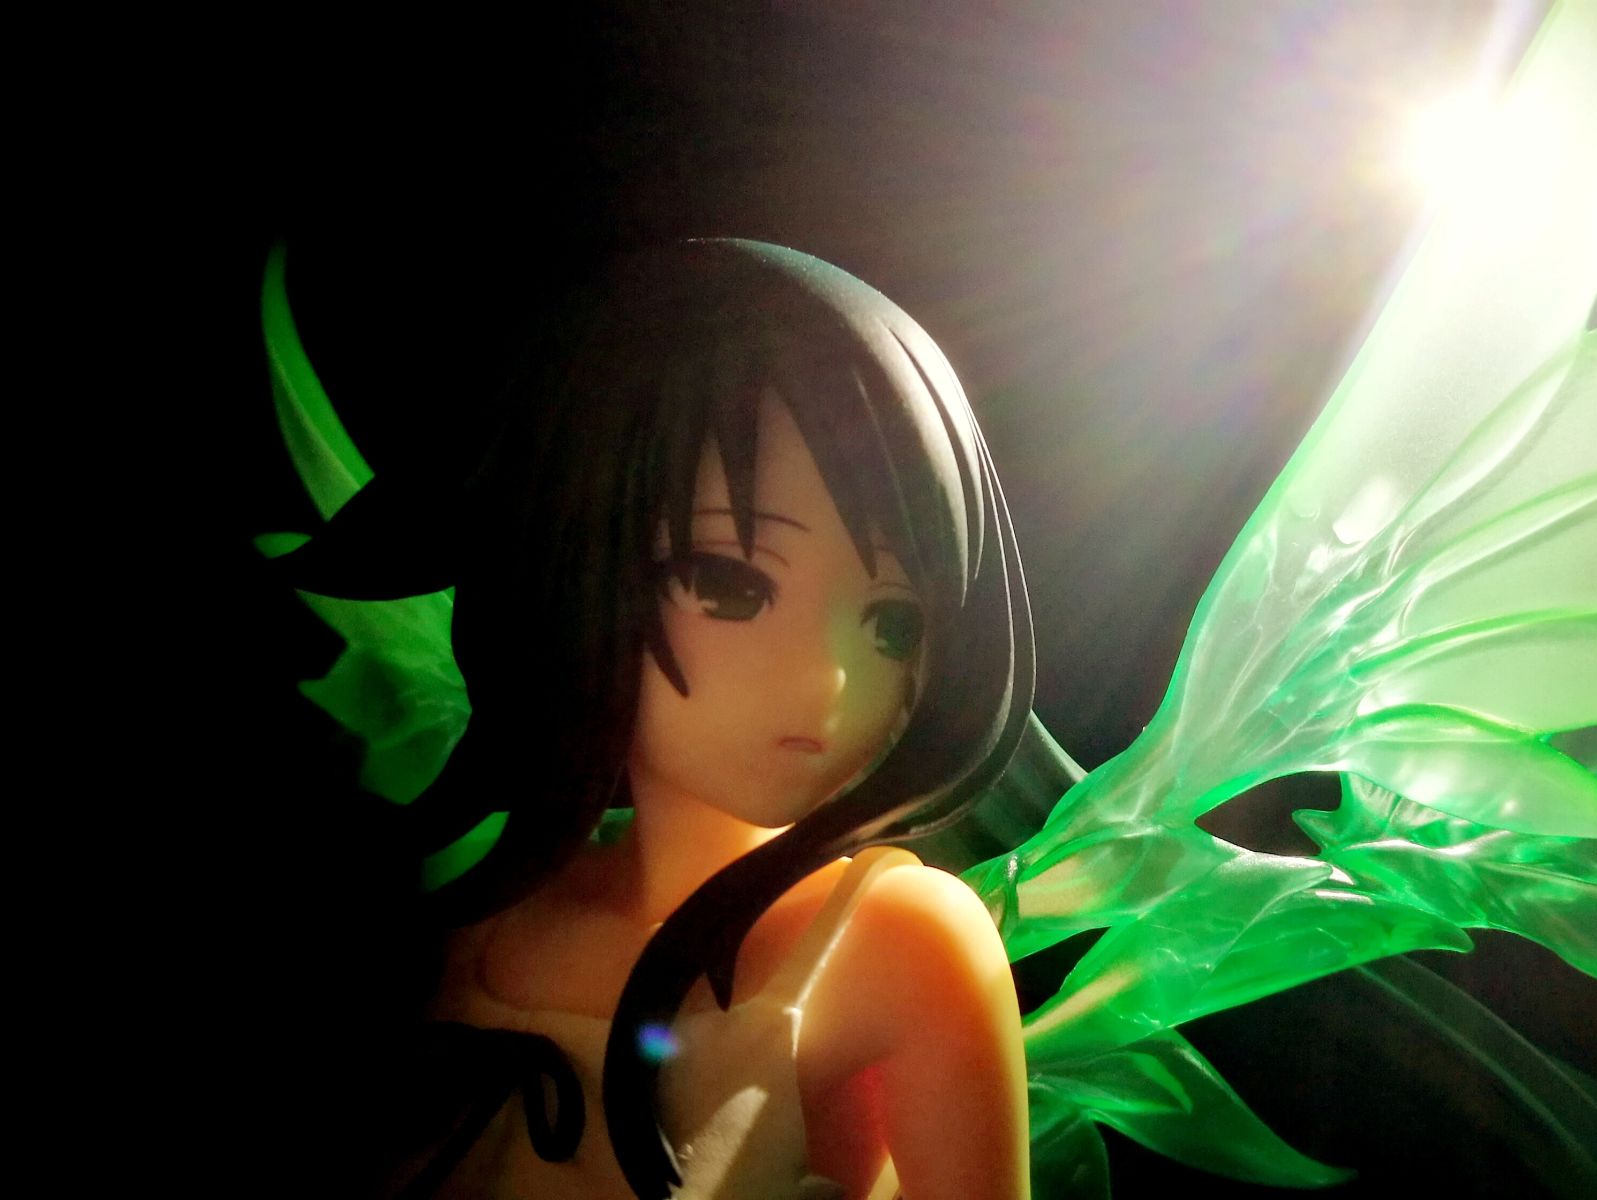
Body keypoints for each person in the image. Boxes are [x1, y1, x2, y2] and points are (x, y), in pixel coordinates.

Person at [282, 239, 1037, 1199]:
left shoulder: (897, 938)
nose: (828, 683)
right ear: (574, 565)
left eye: (894, 623)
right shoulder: (481, 919)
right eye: (729, 584)